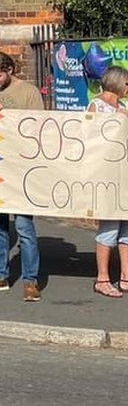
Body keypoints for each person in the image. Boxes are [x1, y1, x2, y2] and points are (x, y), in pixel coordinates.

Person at [0, 51, 44, 301]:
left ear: (9, 71)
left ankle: (30, 280)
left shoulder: (28, 92)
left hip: (21, 168)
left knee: (24, 227)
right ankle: (0, 275)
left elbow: (38, 127)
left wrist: (9, 113)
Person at [87, 66, 128, 298]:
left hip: (125, 175)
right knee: (110, 227)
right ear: (118, 83)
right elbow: (92, 136)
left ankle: (125, 275)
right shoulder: (97, 105)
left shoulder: (123, 107)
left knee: (126, 227)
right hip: (107, 175)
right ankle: (102, 278)